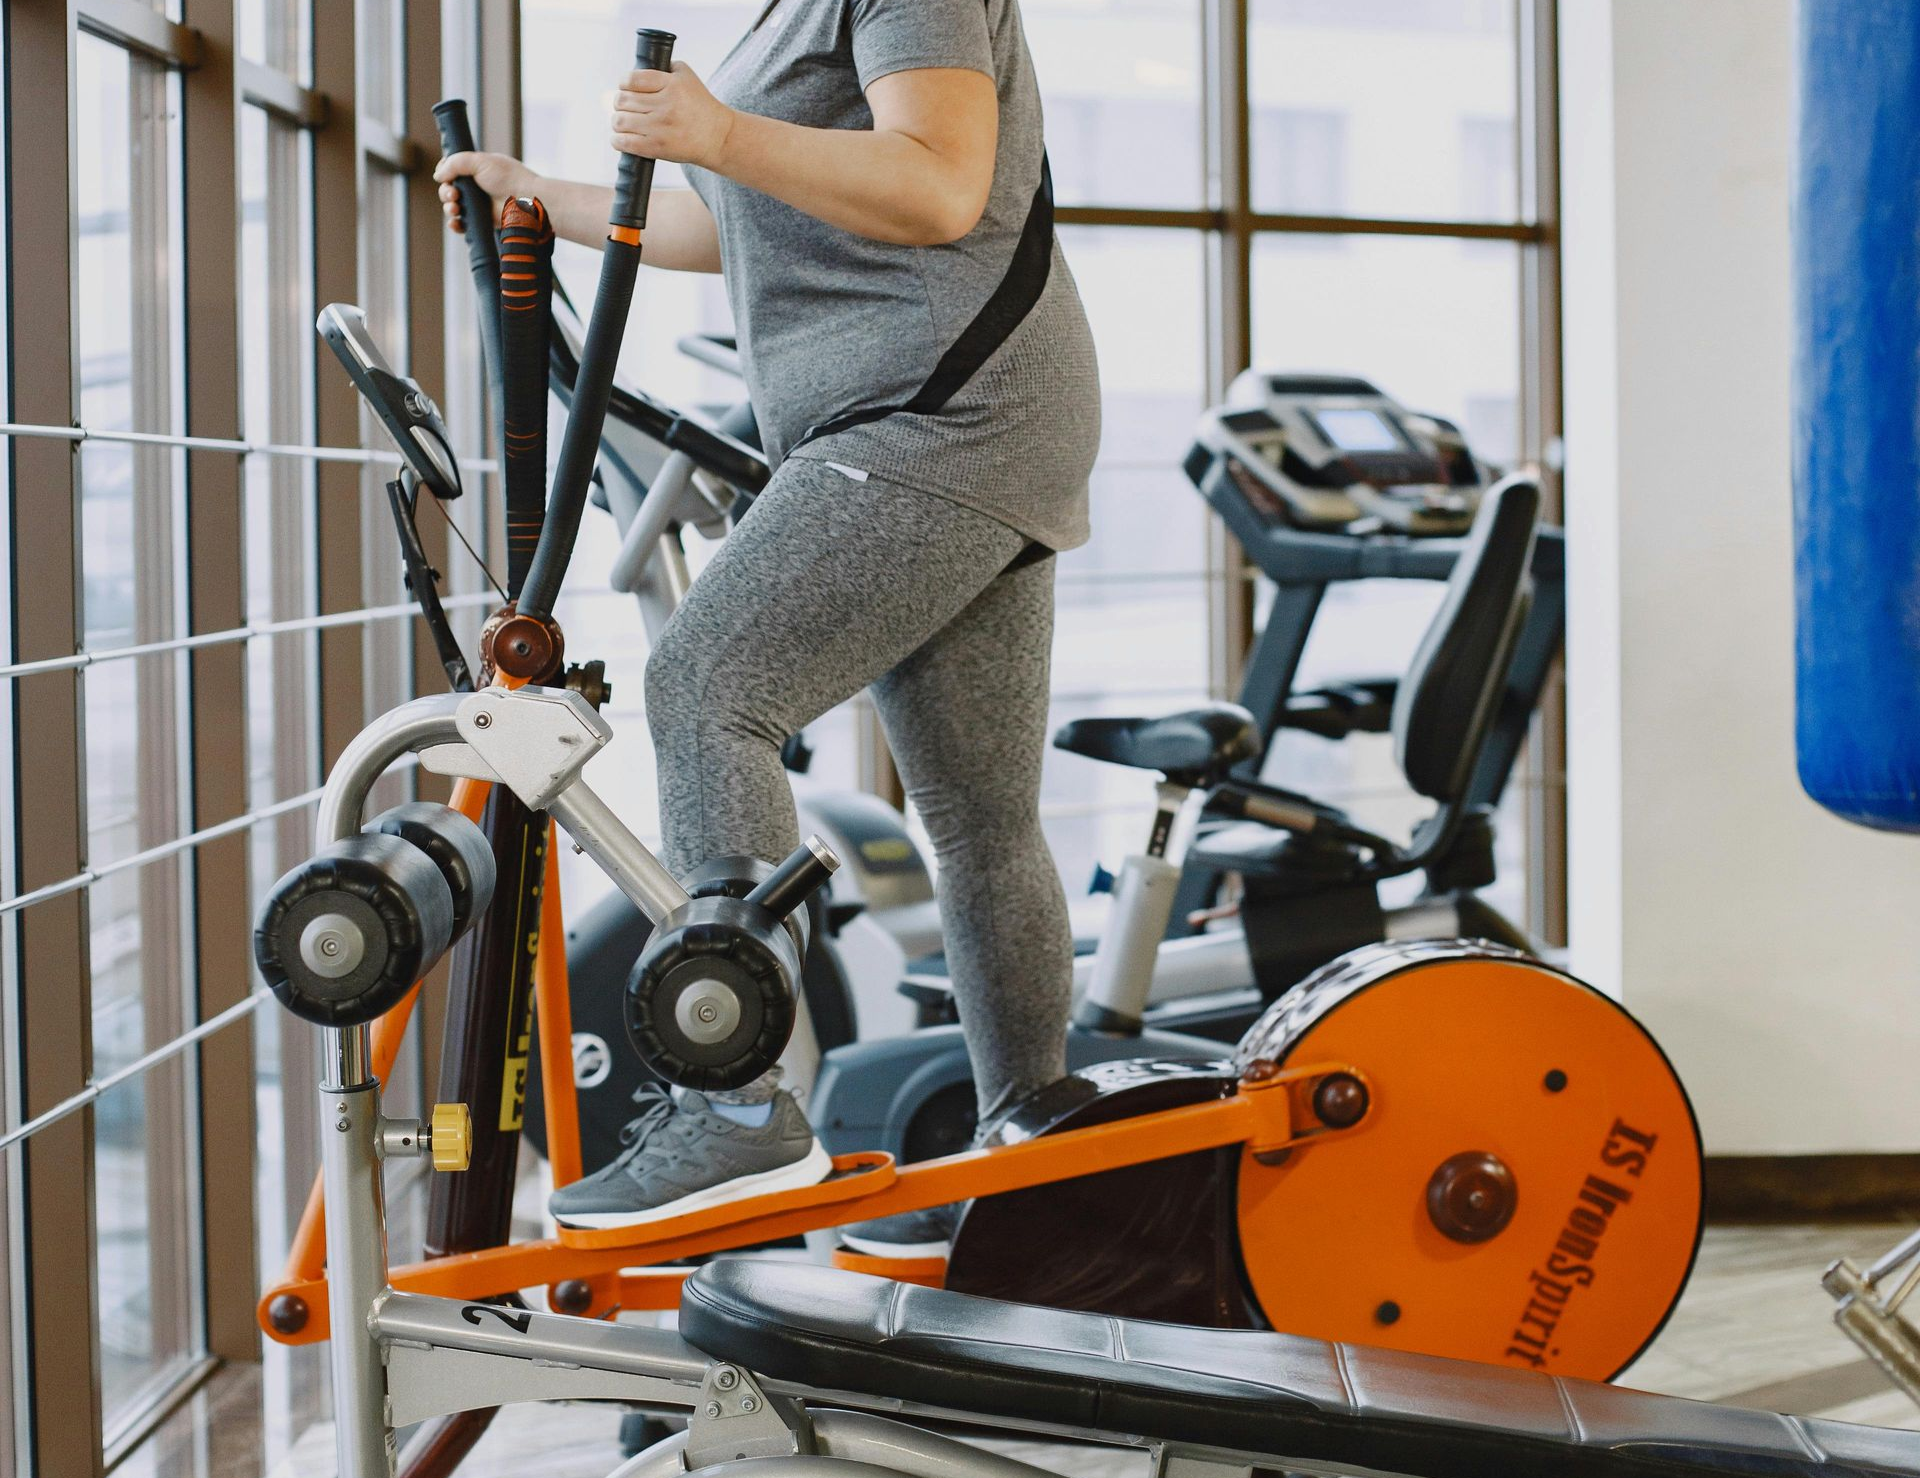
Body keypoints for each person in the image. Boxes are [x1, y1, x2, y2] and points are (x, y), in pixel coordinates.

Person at [436, 0, 1100, 1250]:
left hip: (939, 412)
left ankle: (731, 1091)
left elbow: (941, 185)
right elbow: (732, 219)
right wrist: (540, 197)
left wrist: (716, 130)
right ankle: (1033, 1144)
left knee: (705, 686)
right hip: (964, 414)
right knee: (978, 817)